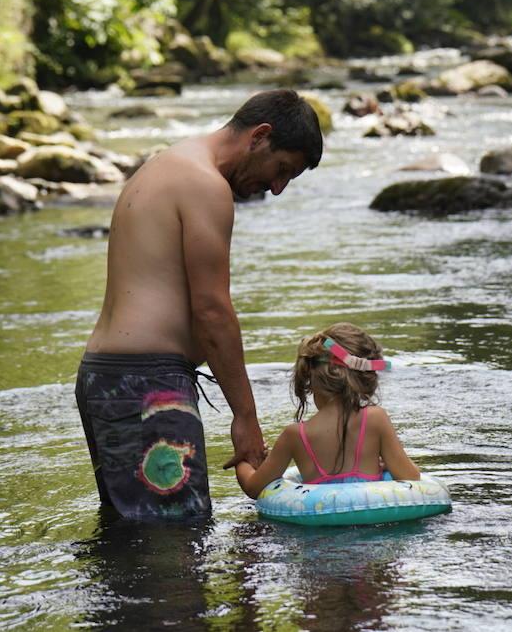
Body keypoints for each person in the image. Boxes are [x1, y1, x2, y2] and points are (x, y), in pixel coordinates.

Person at [77, 89, 324, 520]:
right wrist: (245, 417)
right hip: (148, 390)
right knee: (176, 546)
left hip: (104, 380)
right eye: (282, 169)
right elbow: (212, 310)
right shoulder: (205, 185)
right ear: (260, 136)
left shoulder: (165, 166)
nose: (277, 188)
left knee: (130, 544)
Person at [234, 323, 420, 499]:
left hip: (318, 531)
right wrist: (388, 464)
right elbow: (411, 479)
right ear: (365, 378)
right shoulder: (376, 418)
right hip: (376, 527)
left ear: (310, 377)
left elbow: (253, 488)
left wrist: (243, 459)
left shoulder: (294, 435)